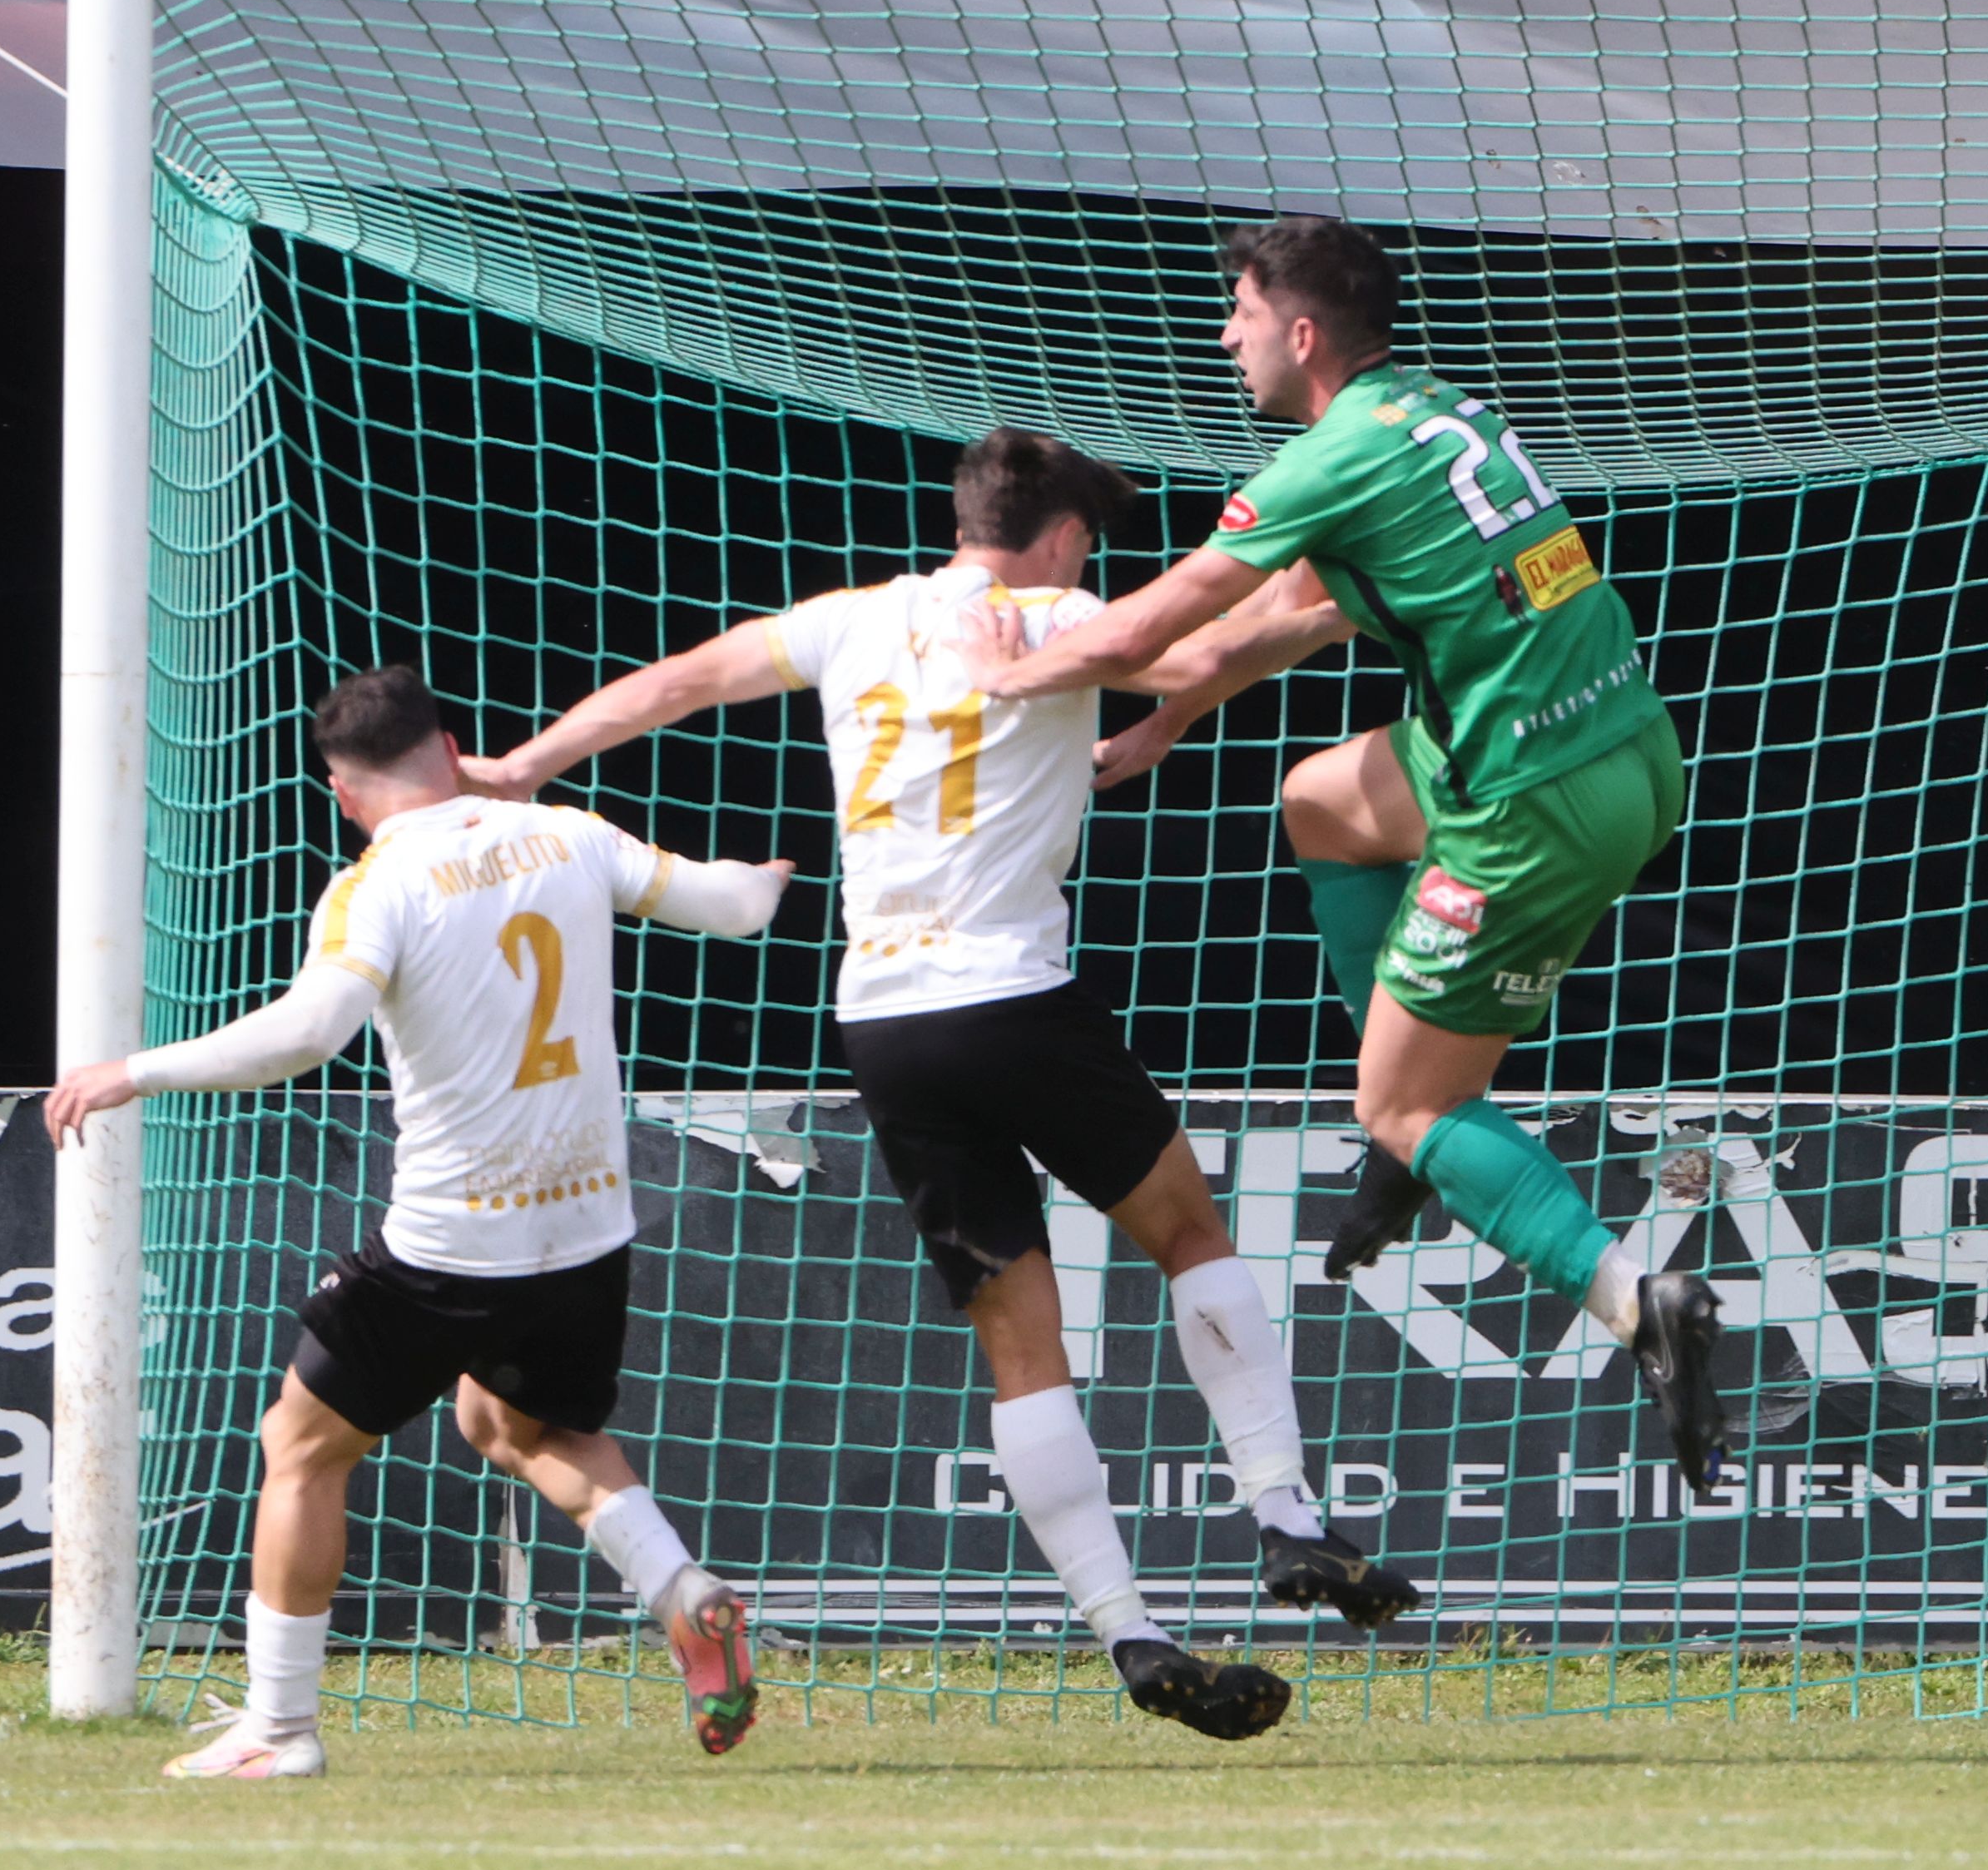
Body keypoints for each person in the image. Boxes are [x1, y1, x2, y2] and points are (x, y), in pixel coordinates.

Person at [470, 424, 1411, 1744]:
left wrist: (524, 767)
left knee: (1021, 1349)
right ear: (1066, 536)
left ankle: (1128, 1633)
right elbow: (1218, 638)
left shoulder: (852, 620)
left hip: (885, 1022)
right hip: (1017, 996)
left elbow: (677, 684)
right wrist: (1346, 589)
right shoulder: (1068, 614)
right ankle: (1286, 1517)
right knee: (1189, 1229)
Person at [965, 216, 1730, 1488]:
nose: (1226, 335)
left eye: (1241, 311)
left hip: (1529, 800)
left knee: (1414, 1094)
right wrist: (1166, 718)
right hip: (1625, 747)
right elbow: (1277, 627)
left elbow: (1165, 621)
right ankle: (1404, 1154)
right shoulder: (1432, 416)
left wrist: (1019, 667)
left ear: (1301, 332)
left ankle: (1639, 1300)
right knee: (1319, 798)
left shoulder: (1327, 459)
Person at [46, 663, 792, 1781]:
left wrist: (132, 1070)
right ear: (455, 745)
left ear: (346, 792)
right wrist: (776, 869)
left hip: (453, 1245)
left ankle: (279, 1729)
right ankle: (684, 1593)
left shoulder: (377, 882)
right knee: (514, 1427)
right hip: (587, 1229)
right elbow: (735, 907)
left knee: (298, 1447)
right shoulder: (572, 834)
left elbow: (307, 1034)